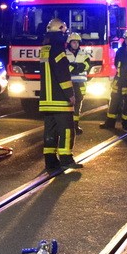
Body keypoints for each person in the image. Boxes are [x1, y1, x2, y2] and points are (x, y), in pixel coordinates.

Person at [40, 19, 82, 172]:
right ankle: (66, 158)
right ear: (61, 31)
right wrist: (70, 94)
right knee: (66, 129)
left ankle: (50, 161)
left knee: (50, 131)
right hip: (59, 99)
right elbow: (63, 75)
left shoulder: (45, 48)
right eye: (64, 32)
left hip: (46, 99)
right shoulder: (58, 50)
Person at [64, 32, 91, 134]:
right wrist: (75, 67)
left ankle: (75, 125)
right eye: (73, 42)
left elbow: (87, 65)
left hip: (80, 85)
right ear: (69, 43)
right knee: (67, 105)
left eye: (77, 42)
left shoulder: (84, 54)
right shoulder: (64, 54)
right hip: (68, 85)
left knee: (77, 105)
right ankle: (67, 125)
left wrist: (75, 67)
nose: (75, 44)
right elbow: (64, 67)